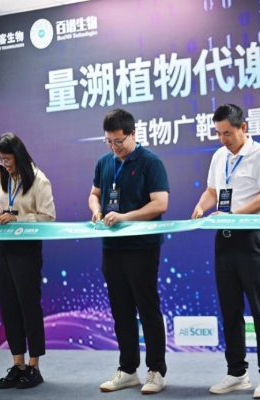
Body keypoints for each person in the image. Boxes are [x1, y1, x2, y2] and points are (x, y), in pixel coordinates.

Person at [191, 104, 260, 399]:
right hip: (224, 240)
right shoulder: (219, 156)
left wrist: (233, 216)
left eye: (227, 133)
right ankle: (236, 373)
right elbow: (212, 192)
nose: (223, 139)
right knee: (230, 310)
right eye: (218, 133)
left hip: (252, 240)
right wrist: (201, 206)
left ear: (243, 127)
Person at [88, 109, 170, 394]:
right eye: (109, 141)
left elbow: (160, 203)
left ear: (133, 134)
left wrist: (125, 217)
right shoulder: (104, 162)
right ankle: (127, 369)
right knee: (121, 311)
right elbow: (94, 194)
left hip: (142, 248)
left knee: (147, 309)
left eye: (119, 141)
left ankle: (156, 371)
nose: (114, 146)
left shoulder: (150, 162)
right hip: (111, 248)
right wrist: (97, 210)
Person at [0, 133, 56, 389]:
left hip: (27, 249)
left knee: (28, 305)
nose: (4, 164)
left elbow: (49, 218)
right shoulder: (2, 174)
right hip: (3, 247)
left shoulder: (39, 180)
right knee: (8, 306)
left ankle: (34, 367)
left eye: (7, 159)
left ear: (18, 155)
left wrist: (18, 218)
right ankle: (18, 364)